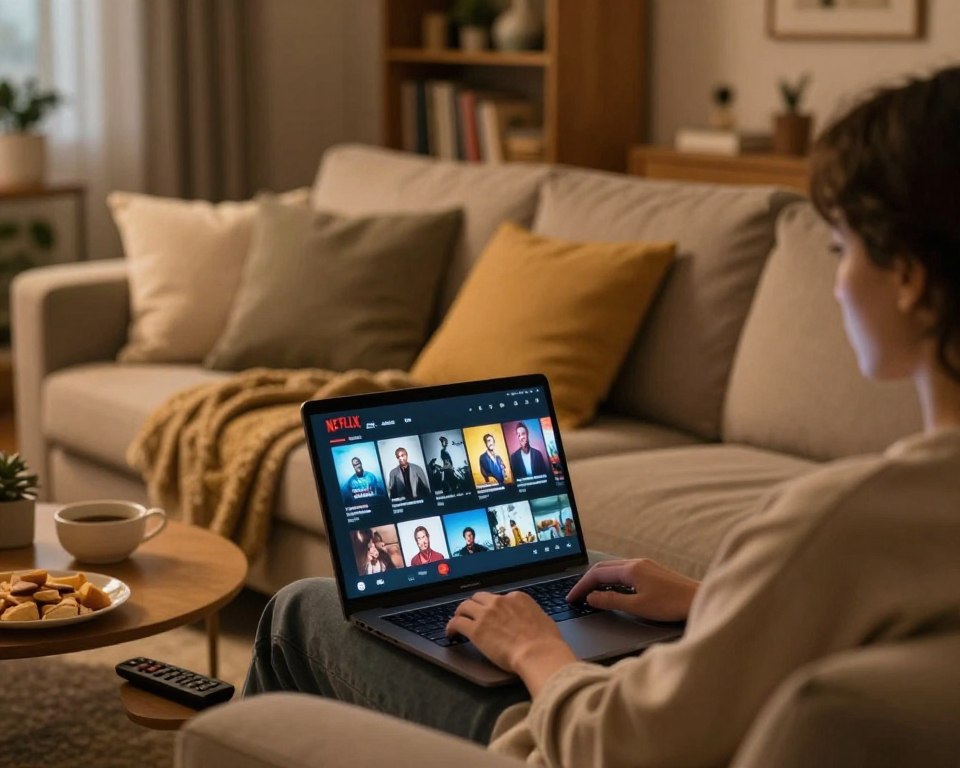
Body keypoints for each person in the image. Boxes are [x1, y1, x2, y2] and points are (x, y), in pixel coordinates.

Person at [244, 67, 960, 764]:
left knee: (302, 612)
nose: (834, 285)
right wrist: (714, 601)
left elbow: (609, 744)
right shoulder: (897, 522)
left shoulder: (833, 524)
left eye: (841, 249)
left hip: (562, 739)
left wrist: (533, 648)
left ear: (909, 278)